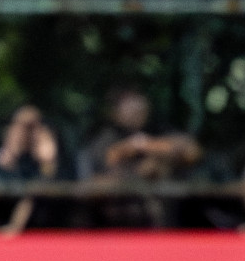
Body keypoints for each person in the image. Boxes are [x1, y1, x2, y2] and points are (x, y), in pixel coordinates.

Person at [78, 86, 201, 228]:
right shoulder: (105, 136)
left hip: (163, 221)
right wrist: (134, 168)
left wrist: (146, 145)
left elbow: (192, 151)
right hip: (119, 220)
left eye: (139, 107)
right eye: (130, 107)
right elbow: (94, 180)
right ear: (115, 112)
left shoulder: (158, 130)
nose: (136, 111)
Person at [0, 104, 62, 234]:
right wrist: (11, 153)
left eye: (32, 126)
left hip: (47, 225)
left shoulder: (51, 151)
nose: (27, 132)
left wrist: (48, 163)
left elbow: (49, 188)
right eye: (22, 126)